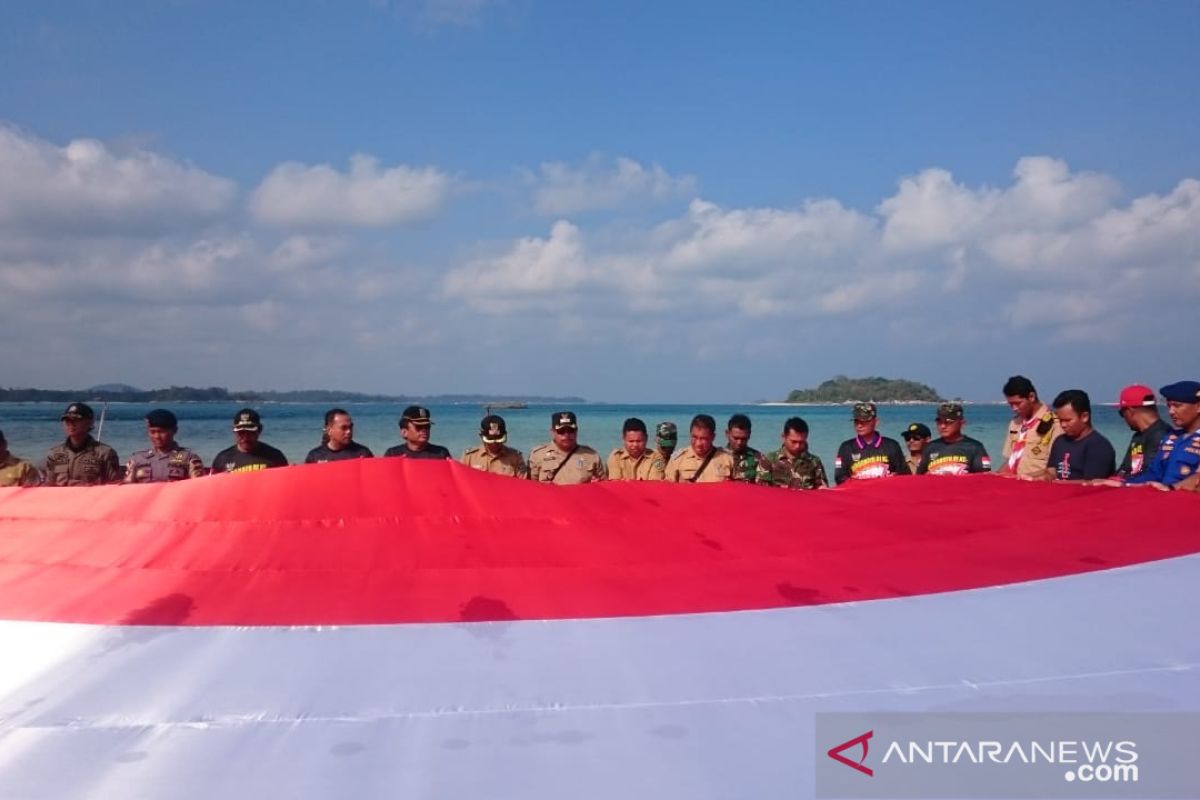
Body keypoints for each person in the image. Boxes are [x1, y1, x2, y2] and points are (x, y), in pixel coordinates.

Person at [1124, 380, 1200, 490]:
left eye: (1177, 406)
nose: (1171, 411)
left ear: (1198, 407)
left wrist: (1171, 488)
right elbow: (1154, 473)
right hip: (1164, 499)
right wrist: (1124, 484)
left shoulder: (1159, 433)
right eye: (1169, 406)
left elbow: (1197, 479)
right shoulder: (1171, 437)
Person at [998, 375, 1062, 478]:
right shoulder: (1015, 423)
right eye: (1010, 404)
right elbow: (1011, 460)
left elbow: (1054, 469)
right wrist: (994, 476)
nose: (1014, 408)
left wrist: (1026, 478)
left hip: (1037, 486)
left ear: (1031, 397)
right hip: (1013, 484)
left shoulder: (1054, 424)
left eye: (1018, 403)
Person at [1043, 390, 1115, 481]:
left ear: (1084, 417)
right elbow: (1051, 471)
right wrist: (1036, 478)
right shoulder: (1059, 441)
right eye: (1060, 420)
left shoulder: (1099, 446)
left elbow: (1091, 483)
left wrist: (1058, 484)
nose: (1063, 425)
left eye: (1067, 420)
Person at [43, 402, 121, 486]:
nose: (71, 424)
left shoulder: (104, 453)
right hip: (62, 498)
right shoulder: (55, 454)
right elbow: (49, 486)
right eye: (67, 420)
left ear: (89, 422)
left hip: (93, 498)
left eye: (76, 420)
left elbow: (115, 486)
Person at [833, 402, 909, 484]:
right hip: (858, 495)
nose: (859, 425)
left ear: (876, 422)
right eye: (856, 421)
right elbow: (839, 477)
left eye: (864, 421)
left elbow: (905, 476)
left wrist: (894, 477)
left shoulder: (892, 446)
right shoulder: (846, 448)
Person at [124, 409, 205, 482]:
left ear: (174, 430)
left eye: (161, 432)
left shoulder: (188, 458)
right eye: (152, 432)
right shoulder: (138, 459)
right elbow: (127, 488)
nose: (157, 436)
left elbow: (198, 486)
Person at [529, 411, 606, 483]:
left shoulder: (591, 456)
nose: (567, 435)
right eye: (561, 431)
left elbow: (605, 487)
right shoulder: (538, 455)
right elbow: (531, 488)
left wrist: (597, 485)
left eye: (571, 430)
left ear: (576, 431)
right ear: (552, 432)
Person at [916, 402, 991, 475]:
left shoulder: (975, 447)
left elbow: (984, 477)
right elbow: (919, 478)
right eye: (939, 422)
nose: (942, 426)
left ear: (962, 423)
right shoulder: (930, 447)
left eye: (948, 422)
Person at [1113, 384, 1170, 480]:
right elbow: (1124, 469)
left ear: (1130, 411)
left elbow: (1150, 474)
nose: (1123, 418)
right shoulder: (1138, 436)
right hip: (1132, 486)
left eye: (1122, 413)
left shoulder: (1163, 435)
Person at [211, 408, 289, 474]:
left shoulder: (275, 456)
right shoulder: (222, 459)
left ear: (260, 430)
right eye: (241, 432)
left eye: (250, 432)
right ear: (234, 431)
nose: (245, 437)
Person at [759, 417, 828, 489]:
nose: (797, 446)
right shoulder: (768, 460)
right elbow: (762, 491)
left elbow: (822, 490)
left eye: (801, 442)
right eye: (793, 442)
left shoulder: (814, 461)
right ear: (783, 437)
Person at [665, 414, 734, 483]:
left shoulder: (727, 459)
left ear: (713, 437)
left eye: (704, 439)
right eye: (694, 437)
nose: (698, 444)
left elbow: (738, 488)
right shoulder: (677, 459)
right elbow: (668, 490)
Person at [461, 415, 528, 478]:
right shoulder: (469, 457)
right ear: (481, 436)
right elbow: (460, 481)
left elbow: (523, 484)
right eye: (490, 439)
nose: (494, 443)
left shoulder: (515, 457)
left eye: (498, 438)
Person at [305, 408, 374, 463]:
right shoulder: (315, 456)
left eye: (350, 427)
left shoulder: (363, 453)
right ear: (329, 430)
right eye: (343, 428)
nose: (349, 431)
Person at [384, 406, 452, 459]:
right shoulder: (393, 454)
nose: (424, 429)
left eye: (427, 426)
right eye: (419, 426)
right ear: (404, 432)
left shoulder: (441, 454)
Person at [726, 413, 769, 484]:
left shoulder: (759, 458)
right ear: (727, 433)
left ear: (749, 435)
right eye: (735, 438)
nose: (739, 442)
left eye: (743, 439)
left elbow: (763, 489)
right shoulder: (717, 457)